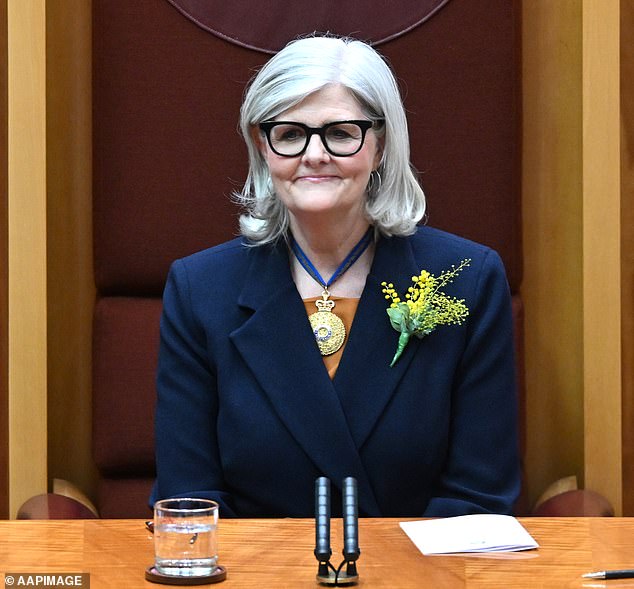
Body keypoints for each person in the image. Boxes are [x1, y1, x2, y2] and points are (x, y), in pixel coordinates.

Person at [151, 35, 520, 518]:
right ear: (263, 147)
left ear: (381, 145)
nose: (314, 155)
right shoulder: (199, 289)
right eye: (289, 133)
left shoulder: (468, 281)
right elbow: (189, 504)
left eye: (341, 133)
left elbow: (477, 501)